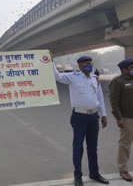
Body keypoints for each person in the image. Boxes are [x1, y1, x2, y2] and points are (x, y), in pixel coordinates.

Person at [52, 55, 108, 186]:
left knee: (93, 147)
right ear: (80, 66)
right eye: (87, 63)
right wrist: (50, 62)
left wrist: (104, 114)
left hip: (94, 117)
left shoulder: (95, 79)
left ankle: (94, 173)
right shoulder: (73, 77)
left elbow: (99, 97)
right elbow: (58, 77)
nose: (90, 65)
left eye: (91, 63)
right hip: (79, 116)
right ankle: (78, 175)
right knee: (78, 147)